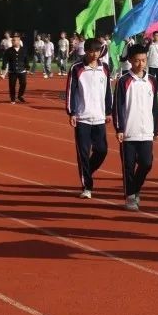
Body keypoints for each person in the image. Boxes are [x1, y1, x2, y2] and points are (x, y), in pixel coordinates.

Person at [112, 44, 158, 210]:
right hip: (129, 132)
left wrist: (156, 128)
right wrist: (119, 129)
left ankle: (135, 189)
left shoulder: (151, 80)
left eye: (144, 60)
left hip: (146, 130)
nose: (141, 64)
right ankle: (130, 196)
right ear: (131, 61)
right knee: (128, 166)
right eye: (137, 60)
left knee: (146, 163)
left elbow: (155, 106)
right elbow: (117, 106)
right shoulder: (124, 81)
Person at [66, 38, 113, 199]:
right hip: (82, 118)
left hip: (99, 117)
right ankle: (87, 186)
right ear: (85, 51)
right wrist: (71, 112)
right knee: (83, 153)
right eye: (92, 51)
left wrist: (108, 111)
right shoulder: (76, 68)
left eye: (97, 51)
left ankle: (87, 172)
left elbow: (108, 92)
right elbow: (71, 91)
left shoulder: (105, 68)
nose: (95, 54)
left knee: (102, 150)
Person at [0, 32, 29, 104]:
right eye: (12, 40)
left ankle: (20, 95)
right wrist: (3, 71)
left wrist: (27, 68)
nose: (12, 41)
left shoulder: (24, 50)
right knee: (12, 85)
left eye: (14, 40)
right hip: (12, 71)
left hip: (22, 71)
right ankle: (12, 98)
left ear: (19, 41)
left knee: (23, 84)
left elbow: (26, 59)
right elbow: (5, 61)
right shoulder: (8, 51)